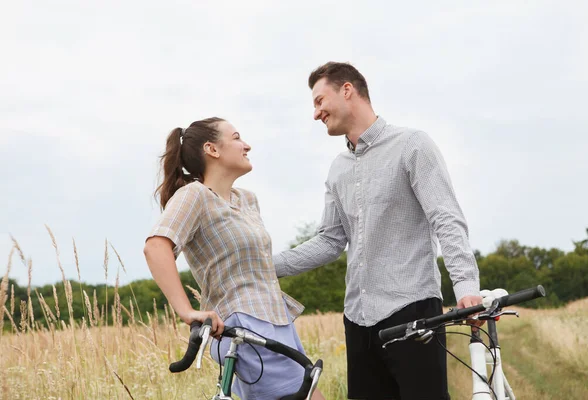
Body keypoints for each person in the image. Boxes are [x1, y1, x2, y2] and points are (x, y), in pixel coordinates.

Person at [273, 62, 483, 399]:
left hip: (413, 312)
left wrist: (466, 287)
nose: (315, 113)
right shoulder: (337, 169)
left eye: (319, 100)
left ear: (347, 90)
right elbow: (330, 241)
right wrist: (266, 267)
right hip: (357, 321)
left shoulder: (412, 145)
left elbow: (446, 218)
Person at [143, 117, 324, 400]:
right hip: (244, 326)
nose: (246, 145)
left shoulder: (247, 200)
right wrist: (187, 312)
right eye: (237, 137)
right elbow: (156, 247)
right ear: (212, 149)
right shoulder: (195, 195)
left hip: (277, 324)